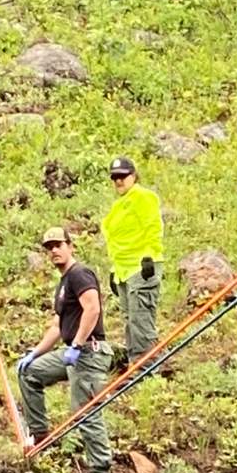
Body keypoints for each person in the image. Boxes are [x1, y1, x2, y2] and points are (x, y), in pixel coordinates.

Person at [16, 227, 113, 473]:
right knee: (30, 373)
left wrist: (78, 344)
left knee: (85, 411)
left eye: (58, 245)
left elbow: (92, 308)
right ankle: (40, 436)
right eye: (49, 247)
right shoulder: (63, 283)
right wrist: (35, 353)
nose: (54, 251)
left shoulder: (79, 274)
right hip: (73, 351)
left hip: (89, 352)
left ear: (70, 246)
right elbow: (58, 326)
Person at [100, 155, 164, 362]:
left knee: (140, 318)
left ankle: (145, 366)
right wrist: (114, 271)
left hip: (141, 266)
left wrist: (150, 256)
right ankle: (135, 363)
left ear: (133, 176)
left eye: (123, 176)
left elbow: (153, 226)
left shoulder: (142, 197)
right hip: (124, 270)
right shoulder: (120, 205)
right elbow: (117, 240)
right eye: (115, 177)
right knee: (129, 319)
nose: (119, 180)